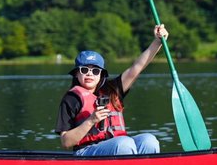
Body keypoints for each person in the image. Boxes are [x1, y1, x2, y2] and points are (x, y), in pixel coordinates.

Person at [56, 24, 169, 156]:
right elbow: (66, 142)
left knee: (149, 140)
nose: (90, 74)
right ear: (76, 73)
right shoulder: (71, 99)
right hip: (86, 152)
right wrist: (91, 120)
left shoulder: (113, 90)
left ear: (101, 74)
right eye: (84, 70)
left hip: (118, 146)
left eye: (95, 71)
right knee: (124, 143)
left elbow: (137, 67)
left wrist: (157, 42)